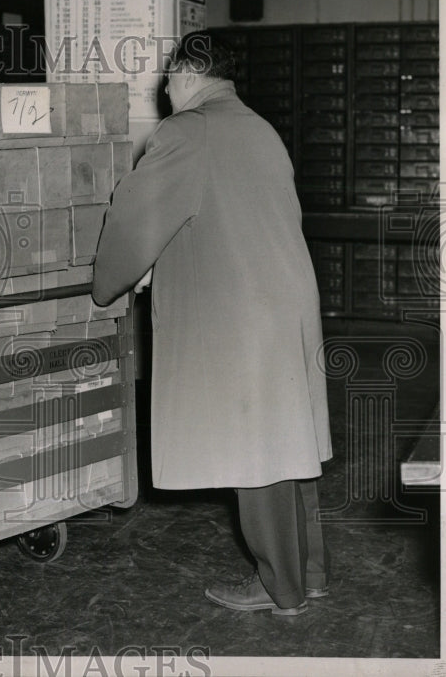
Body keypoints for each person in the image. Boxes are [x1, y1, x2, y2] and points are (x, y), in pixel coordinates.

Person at [92, 30, 333, 617]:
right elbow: (220, 215)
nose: (166, 92)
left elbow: (134, 218)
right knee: (289, 442)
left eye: (169, 80)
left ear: (188, 74)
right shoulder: (260, 128)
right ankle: (311, 573)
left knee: (258, 450)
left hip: (244, 317)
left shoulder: (187, 131)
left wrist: (110, 282)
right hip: (287, 302)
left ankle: (283, 589)